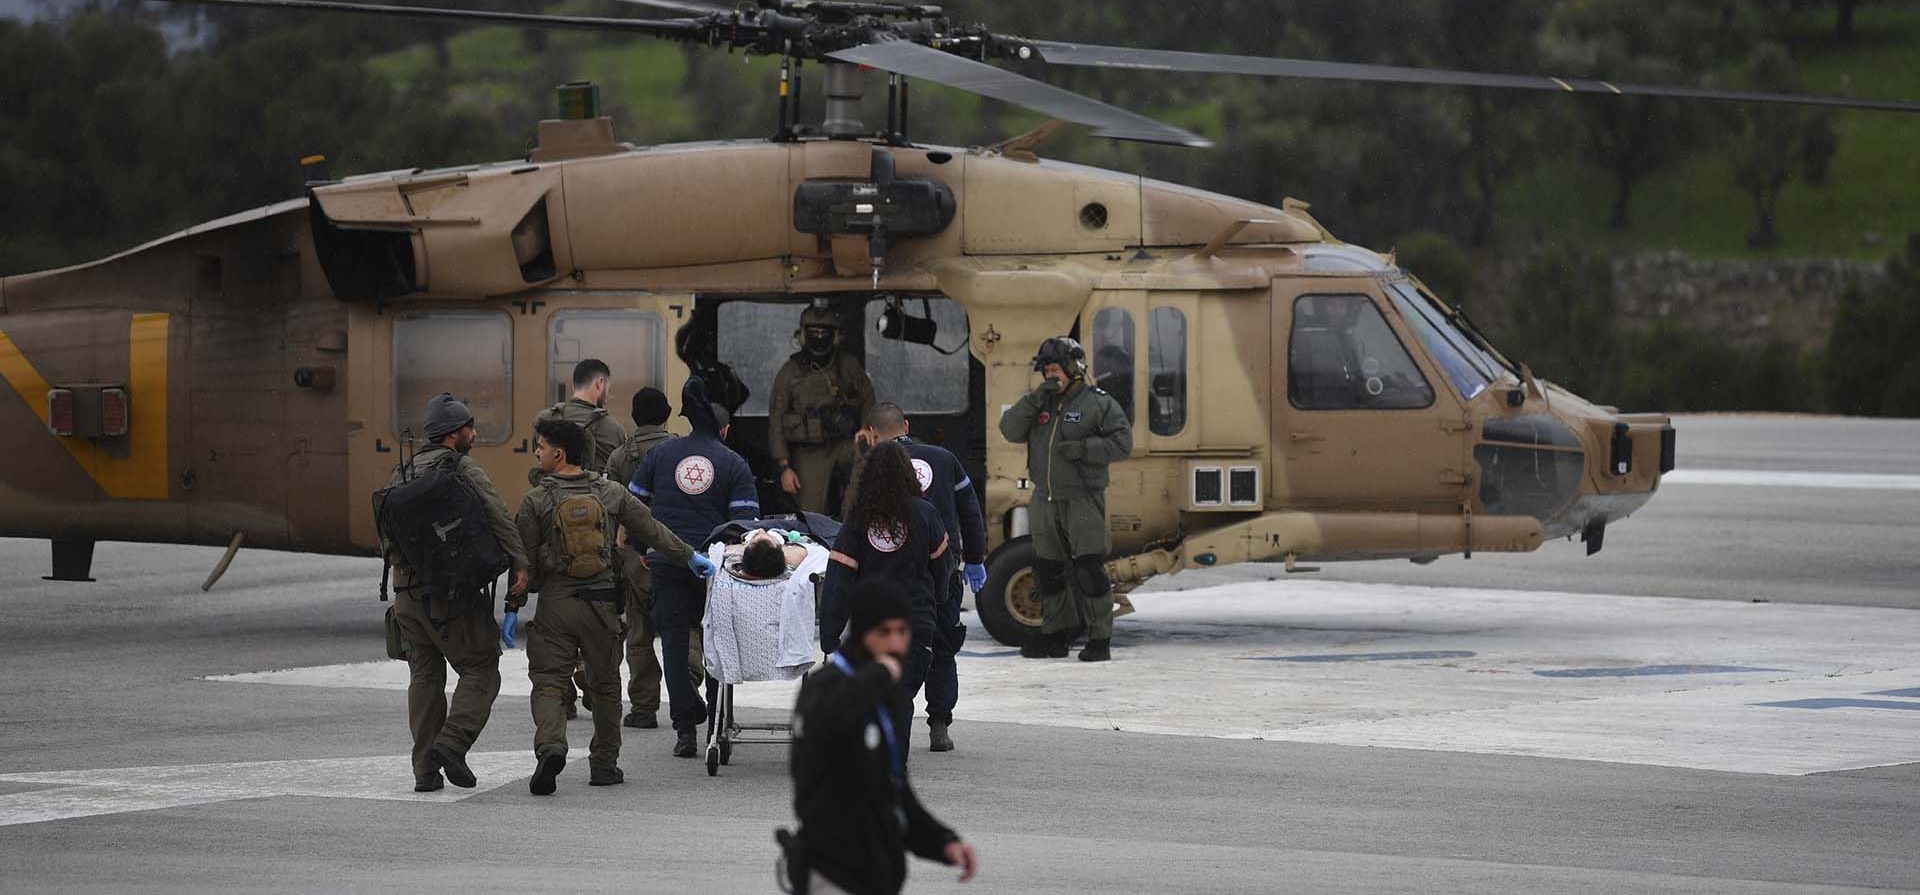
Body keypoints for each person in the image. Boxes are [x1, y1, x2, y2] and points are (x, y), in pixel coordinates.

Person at [512, 417, 712, 795]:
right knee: (605, 687)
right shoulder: (612, 492)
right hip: (601, 605)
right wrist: (690, 557)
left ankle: (551, 746)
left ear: (559, 453)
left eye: (541, 446)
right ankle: (604, 764)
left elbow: (522, 562)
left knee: (550, 682)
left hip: (555, 605)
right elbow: (652, 529)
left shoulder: (536, 499)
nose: (536, 451)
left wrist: (514, 604)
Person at [786, 580, 978, 895]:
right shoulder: (826, 686)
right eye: (884, 633)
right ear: (862, 634)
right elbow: (828, 720)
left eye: (902, 632)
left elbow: (896, 793)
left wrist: (943, 842)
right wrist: (879, 675)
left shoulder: (888, 694)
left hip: (877, 872)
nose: (894, 643)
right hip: (830, 870)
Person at [381, 393, 530, 793]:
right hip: (447, 596)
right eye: (469, 428)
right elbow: (498, 516)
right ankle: (453, 743)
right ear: (454, 435)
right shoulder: (463, 469)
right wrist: (520, 564)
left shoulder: (403, 471)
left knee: (425, 678)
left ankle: (425, 771)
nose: (474, 433)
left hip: (406, 595)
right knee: (481, 667)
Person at [628, 377, 761, 757]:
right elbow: (744, 526)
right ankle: (716, 727)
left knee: (672, 643)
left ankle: (685, 729)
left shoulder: (661, 455)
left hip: (665, 562)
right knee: (717, 645)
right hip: (713, 569)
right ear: (724, 429)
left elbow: (635, 508)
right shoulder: (734, 463)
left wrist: (642, 548)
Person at [855, 403, 986, 753]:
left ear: (873, 434)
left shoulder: (872, 467)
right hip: (942, 567)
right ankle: (939, 724)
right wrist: (975, 558)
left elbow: (854, 518)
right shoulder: (944, 458)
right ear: (907, 425)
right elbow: (970, 510)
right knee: (943, 645)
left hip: (892, 572)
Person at [997, 336, 1132, 662]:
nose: (1050, 376)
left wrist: (1086, 450)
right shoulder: (1039, 403)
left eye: (1056, 369)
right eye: (1046, 371)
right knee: (1048, 570)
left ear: (1073, 368)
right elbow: (1009, 430)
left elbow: (1123, 443)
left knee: (1088, 569)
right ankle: (1055, 636)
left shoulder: (1097, 403)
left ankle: (1100, 638)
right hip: (1045, 499)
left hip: (1082, 498)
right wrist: (1033, 399)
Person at [820, 440, 947, 759]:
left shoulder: (857, 519)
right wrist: (939, 607)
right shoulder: (926, 513)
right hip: (915, 627)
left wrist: (830, 634)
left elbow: (839, 579)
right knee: (900, 699)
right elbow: (943, 570)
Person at [604, 387, 703, 730]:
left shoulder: (619, 457)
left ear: (634, 416)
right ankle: (688, 681)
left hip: (633, 553)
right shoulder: (681, 451)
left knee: (639, 631)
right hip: (675, 550)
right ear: (666, 415)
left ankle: (644, 708)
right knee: (684, 622)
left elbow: (612, 510)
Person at [769, 305, 875, 515]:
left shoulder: (847, 365)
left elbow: (868, 397)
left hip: (843, 444)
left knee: (870, 460)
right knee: (812, 514)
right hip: (809, 452)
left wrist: (866, 428)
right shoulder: (790, 372)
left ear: (834, 336)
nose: (819, 337)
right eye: (813, 332)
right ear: (803, 335)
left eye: (824, 332)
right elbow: (776, 419)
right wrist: (784, 468)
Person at [532, 358, 625, 481]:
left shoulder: (545, 419)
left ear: (573, 384)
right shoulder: (613, 429)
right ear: (600, 383)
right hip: (594, 499)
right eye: (608, 388)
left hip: (553, 497)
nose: (607, 395)